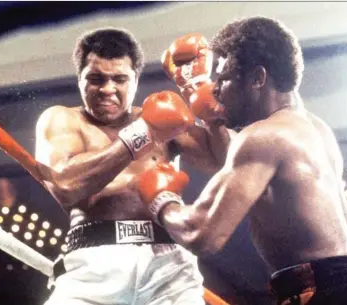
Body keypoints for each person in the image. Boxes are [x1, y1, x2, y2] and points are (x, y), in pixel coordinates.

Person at [137, 17, 347, 305]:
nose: (215, 89)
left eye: (223, 79)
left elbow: (202, 234)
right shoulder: (311, 128)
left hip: (322, 294)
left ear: (258, 78)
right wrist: (199, 98)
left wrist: (161, 200)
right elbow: (236, 173)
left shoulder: (263, 137)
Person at [35, 27, 231, 305]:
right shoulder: (62, 120)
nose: (107, 89)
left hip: (168, 266)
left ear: (136, 80)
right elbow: (66, 184)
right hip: (93, 263)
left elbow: (226, 163)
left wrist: (199, 92)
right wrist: (141, 136)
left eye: (119, 79)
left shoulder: (163, 116)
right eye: (95, 79)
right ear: (79, 79)